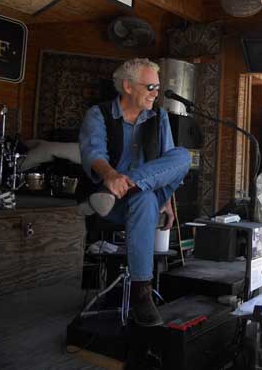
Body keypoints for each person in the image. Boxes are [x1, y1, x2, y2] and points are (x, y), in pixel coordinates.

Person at [79, 58, 191, 327]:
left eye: (158, 87)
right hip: (113, 204)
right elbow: (93, 153)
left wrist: (167, 204)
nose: (156, 92)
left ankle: (130, 184)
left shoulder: (160, 117)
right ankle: (142, 293)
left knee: (183, 156)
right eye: (150, 86)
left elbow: (169, 163)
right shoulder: (99, 114)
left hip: (133, 194)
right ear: (128, 86)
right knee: (143, 198)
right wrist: (111, 176)